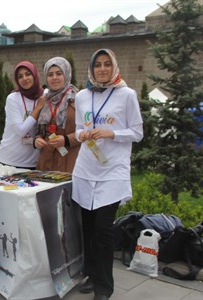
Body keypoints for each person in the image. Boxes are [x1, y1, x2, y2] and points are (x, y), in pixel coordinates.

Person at [72, 49, 143, 300]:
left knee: (103, 230)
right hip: (85, 169)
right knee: (88, 229)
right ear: (91, 69)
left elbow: (137, 132)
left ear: (114, 66)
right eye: (97, 65)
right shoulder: (82, 96)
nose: (102, 69)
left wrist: (111, 133)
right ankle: (91, 274)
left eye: (106, 64)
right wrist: (82, 134)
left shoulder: (126, 95)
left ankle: (104, 288)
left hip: (113, 170)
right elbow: (80, 127)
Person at [34, 57, 80, 173]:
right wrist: (37, 139)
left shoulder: (78, 99)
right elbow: (39, 131)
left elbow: (87, 130)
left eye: (59, 73)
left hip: (70, 160)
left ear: (67, 75)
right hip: (47, 160)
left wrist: (67, 140)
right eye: (50, 75)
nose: (54, 78)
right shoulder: (43, 101)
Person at [0, 61, 45, 169]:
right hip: (10, 161)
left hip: (34, 161)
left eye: (28, 74)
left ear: (34, 75)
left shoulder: (44, 95)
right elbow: (21, 130)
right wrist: (38, 108)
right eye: (20, 76)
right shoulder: (13, 98)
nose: (24, 78)